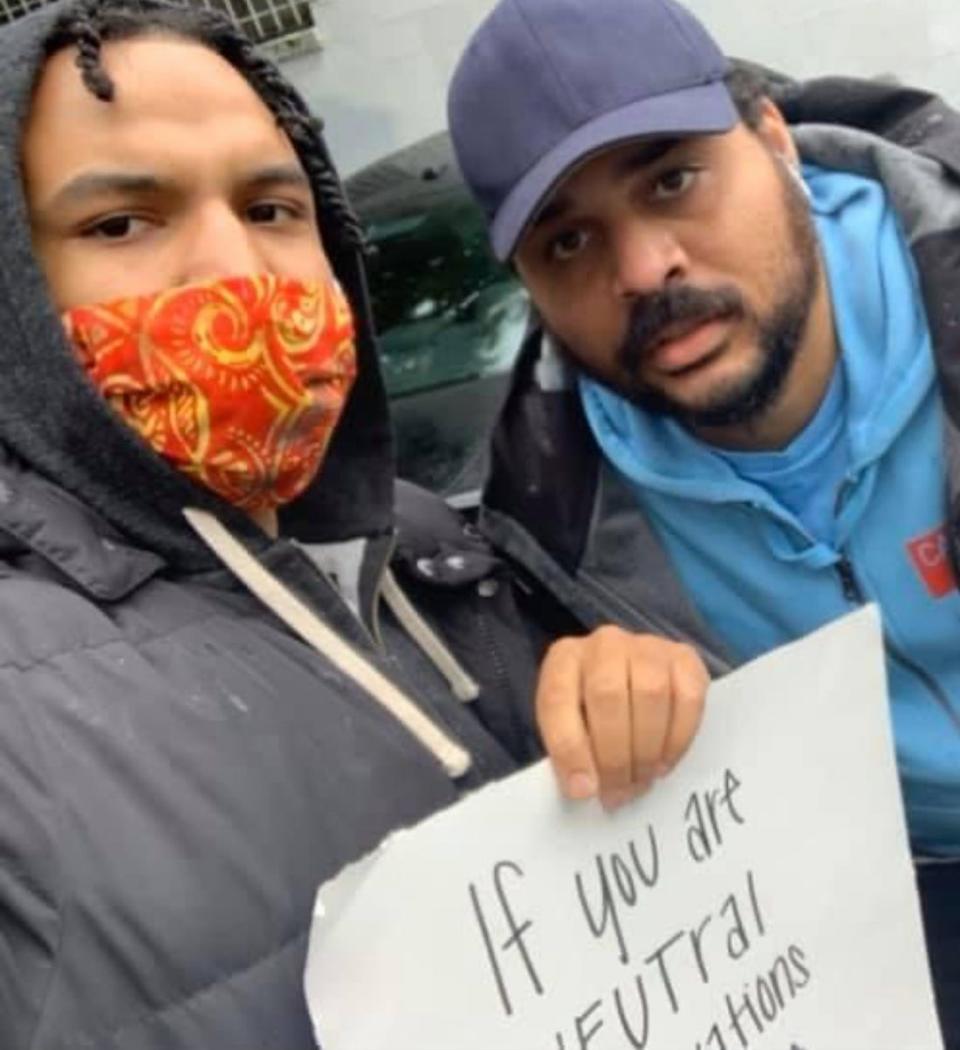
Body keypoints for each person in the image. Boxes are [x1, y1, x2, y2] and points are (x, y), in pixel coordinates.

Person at [0, 0, 707, 1045]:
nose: (236, 270)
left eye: (274, 209)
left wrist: (640, 685)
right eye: (120, 223)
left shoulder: (417, 541)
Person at [449, 0, 960, 1040]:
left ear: (774, 140)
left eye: (673, 178)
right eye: (570, 240)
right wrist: (592, 706)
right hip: (882, 914)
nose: (643, 272)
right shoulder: (544, 527)